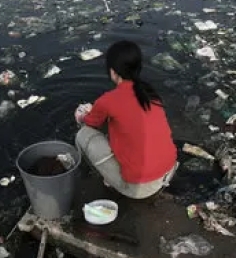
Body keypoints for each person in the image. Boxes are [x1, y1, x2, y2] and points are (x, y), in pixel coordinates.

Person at [75, 41, 178, 199]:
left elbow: (89, 123)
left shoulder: (108, 100)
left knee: (82, 135)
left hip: (139, 189)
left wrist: (82, 114)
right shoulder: (150, 94)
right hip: (168, 172)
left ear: (113, 72)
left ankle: (104, 178)